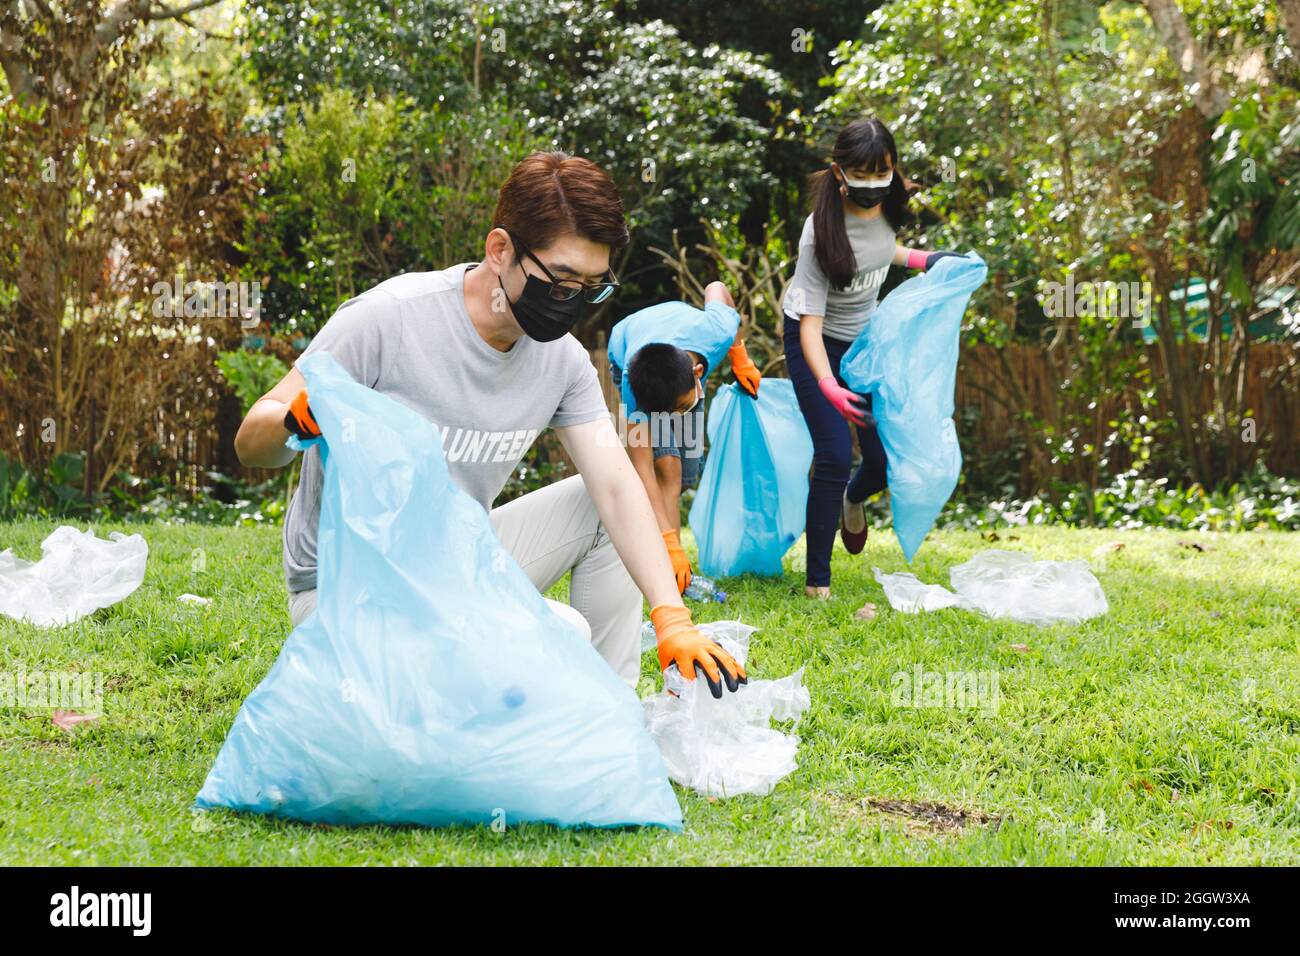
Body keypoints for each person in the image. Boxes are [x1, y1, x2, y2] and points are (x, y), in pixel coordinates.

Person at [234, 152, 745, 698]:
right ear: (500, 250)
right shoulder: (390, 317)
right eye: (562, 280)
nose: (571, 303)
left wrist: (672, 617)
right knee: (561, 633)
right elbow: (251, 443)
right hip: (349, 586)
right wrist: (294, 420)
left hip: (457, 564)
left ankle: (614, 718)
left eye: (590, 287)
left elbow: (618, 486)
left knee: (600, 503)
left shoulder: (561, 360)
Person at [782, 118, 962, 599]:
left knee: (884, 460)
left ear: (892, 169)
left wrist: (927, 260)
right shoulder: (818, 232)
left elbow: (882, 251)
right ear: (839, 172)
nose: (870, 185)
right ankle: (817, 580)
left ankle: (852, 500)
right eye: (859, 175)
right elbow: (810, 326)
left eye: (880, 173)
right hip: (813, 344)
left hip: (866, 344)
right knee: (835, 453)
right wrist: (828, 386)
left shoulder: (890, 205)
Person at [606, 282, 761, 593]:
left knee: (684, 474)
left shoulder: (717, 329)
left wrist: (739, 355)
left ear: (699, 372)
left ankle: (670, 558)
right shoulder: (636, 389)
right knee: (665, 468)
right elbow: (643, 471)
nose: (673, 419)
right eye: (668, 414)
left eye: (678, 410)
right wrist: (670, 544)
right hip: (630, 355)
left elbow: (717, 288)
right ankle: (671, 572)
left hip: (677, 359)